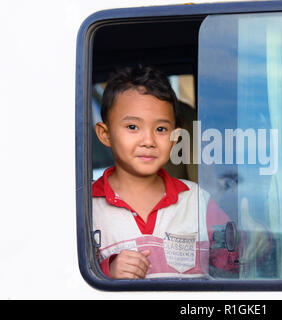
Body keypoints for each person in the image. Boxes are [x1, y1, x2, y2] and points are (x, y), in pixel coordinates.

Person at [92, 65, 269, 279]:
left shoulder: (197, 201)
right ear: (105, 134)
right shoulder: (87, 206)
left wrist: (255, 239)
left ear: (175, 138)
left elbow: (230, 262)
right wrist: (106, 272)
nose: (148, 141)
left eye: (161, 129)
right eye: (132, 127)